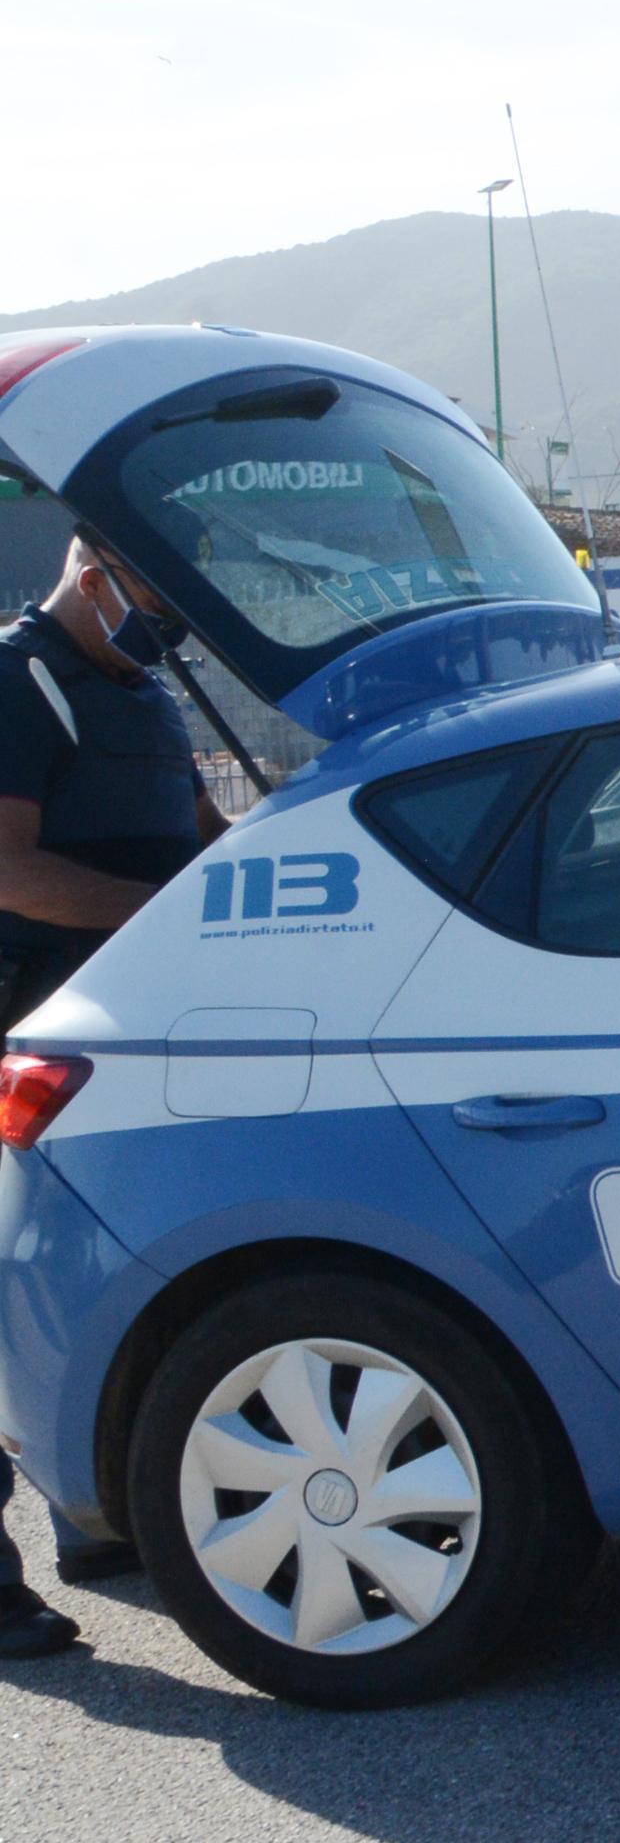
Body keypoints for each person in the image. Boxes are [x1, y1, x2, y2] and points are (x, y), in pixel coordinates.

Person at [0, 532, 222, 1658]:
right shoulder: (19, 677)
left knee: (72, 1279)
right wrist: (161, 922)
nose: (169, 615)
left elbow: (205, 844)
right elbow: (10, 869)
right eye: (154, 588)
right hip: (23, 1039)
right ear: (94, 574)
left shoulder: (148, 694)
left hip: (118, 1050)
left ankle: (84, 1524)